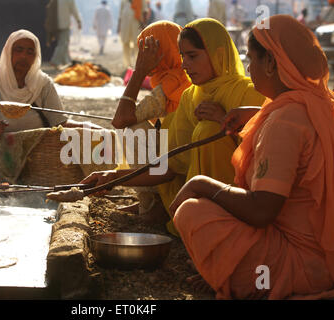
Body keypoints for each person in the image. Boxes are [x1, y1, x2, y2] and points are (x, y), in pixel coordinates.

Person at [171, 15, 334, 299]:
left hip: (299, 266)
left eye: (252, 60)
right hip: (325, 257)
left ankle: (245, 280)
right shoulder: (318, 105)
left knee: (192, 211)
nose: (249, 68)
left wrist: (202, 184)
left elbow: (262, 212)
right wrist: (254, 115)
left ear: (271, 64)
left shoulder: (284, 121)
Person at [81, 18, 265, 234]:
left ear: (219, 54)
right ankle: (193, 219)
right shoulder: (191, 96)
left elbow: (268, 151)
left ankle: (219, 226)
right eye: (182, 56)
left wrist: (228, 122)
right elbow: (170, 166)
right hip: (191, 190)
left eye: (193, 56)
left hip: (248, 202)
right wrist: (112, 177)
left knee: (208, 130)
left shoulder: (248, 92)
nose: (185, 64)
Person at [0, 30, 99, 185]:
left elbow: (60, 122)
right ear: (8, 53)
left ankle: (5, 182)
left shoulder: (43, 85)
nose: (24, 56)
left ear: (36, 57)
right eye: (18, 50)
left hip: (31, 161)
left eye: (30, 52)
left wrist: (94, 128)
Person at [111, 20, 192, 215]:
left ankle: (154, 203)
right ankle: (152, 200)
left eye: (148, 50)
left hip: (184, 170)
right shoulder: (175, 76)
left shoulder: (175, 81)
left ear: (164, 50)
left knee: (135, 129)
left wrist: (139, 72)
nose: (143, 57)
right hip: (178, 164)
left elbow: (121, 119)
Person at [50, 0, 82, 68]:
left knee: (63, 43)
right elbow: (74, 10)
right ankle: (55, 61)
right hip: (65, 24)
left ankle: (66, 62)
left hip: (55, 24)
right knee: (63, 43)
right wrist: (78, 21)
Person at [118, 0, 148, 69]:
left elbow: (145, 12)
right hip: (125, 26)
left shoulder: (141, 1)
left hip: (137, 25)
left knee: (138, 44)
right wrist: (119, 27)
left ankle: (138, 65)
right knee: (125, 44)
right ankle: (127, 65)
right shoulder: (124, 1)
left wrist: (144, 24)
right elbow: (120, 16)